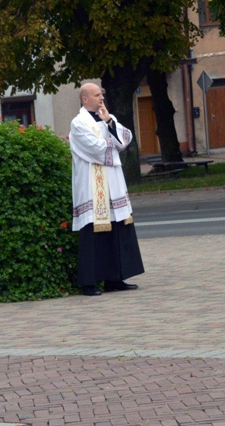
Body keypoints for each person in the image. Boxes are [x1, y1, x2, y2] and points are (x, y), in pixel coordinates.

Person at [69, 82, 145, 296]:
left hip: (112, 182)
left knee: (117, 226)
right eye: (96, 95)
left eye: (101, 94)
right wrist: (112, 141)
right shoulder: (79, 123)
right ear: (85, 99)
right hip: (93, 185)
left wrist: (109, 122)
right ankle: (89, 283)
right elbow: (96, 148)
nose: (101, 98)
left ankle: (115, 279)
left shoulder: (106, 117)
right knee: (93, 231)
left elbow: (125, 139)